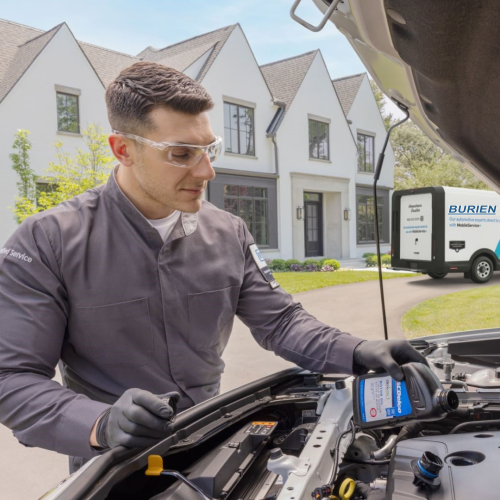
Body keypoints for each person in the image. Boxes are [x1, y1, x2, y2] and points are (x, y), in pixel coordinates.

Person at [0, 62, 426, 471]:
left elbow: (280, 322)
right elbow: (13, 379)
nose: (207, 171)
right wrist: (100, 423)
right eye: (181, 153)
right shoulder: (47, 242)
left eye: (209, 149)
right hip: (112, 468)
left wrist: (354, 349)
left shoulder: (229, 232)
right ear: (122, 149)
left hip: (218, 446)